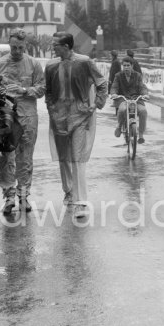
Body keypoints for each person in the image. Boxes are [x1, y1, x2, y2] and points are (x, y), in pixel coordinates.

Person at [45, 32, 107, 218]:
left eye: (55, 44)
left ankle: (81, 202)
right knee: (64, 157)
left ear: (66, 46)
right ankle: (69, 192)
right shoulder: (51, 66)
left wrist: (96, 104)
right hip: (58, 117)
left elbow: (102, 83)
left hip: (79, 115)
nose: (53, 47)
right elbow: (48, 90)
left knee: (77, 158)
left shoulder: (84, 62)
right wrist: (50, 107)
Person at [0, 28, 45, 214]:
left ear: (25, 46)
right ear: (9, 45)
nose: (17, 51)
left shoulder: (34, 64)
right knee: (6, 157)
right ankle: (9, 195)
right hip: (5, 117)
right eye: (13, 47)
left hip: (27, 116)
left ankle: (23, 195)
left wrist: (25, 90)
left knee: (25, 156)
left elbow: (42, 88)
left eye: (20, 47)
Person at [110, 56, 149, 144]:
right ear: (122, 66)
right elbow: (114, 87)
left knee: (143, 111)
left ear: (132, 66)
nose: (126, 67)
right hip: (123, 99)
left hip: (136, 99)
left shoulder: (137, 75)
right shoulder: (118, 76)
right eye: (124, 65)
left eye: (128, 65)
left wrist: (145, 94)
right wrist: (114, 94)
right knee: (122, 109)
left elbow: (142, 87)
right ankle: (119, 126)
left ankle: (141, 134)